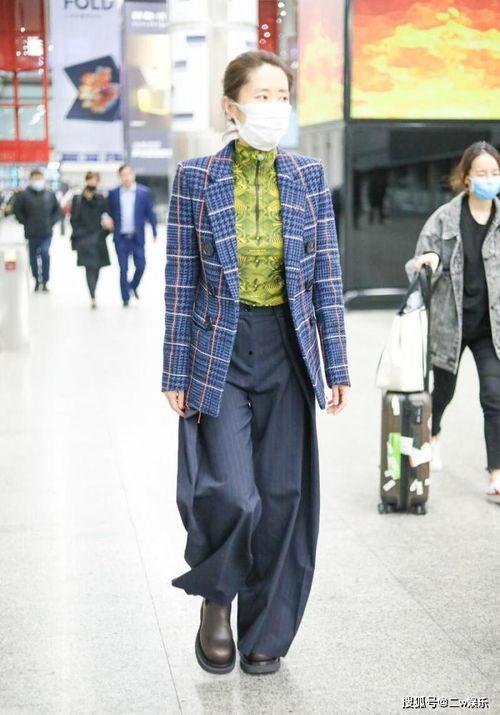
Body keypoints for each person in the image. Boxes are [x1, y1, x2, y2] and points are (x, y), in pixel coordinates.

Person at [162, 50, 350, 676]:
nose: (275, 107)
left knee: (282, 496)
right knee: (232, 493)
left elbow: (326, 277)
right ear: (232, 106)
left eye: (282, 96)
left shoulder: (307, 176)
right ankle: (217, 598)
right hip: (219, 348)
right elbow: (181, 280)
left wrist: (336, 366)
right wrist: (174, 372)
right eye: (262, 96)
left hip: (287, 349)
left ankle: (266, 628)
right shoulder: (196, 177)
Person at [406, 141, 500, 503]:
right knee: (442, 392)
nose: (489, 179)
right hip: (450, 324)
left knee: (494, 396)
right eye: (482, 173)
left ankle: (496, 473)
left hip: (491, 328)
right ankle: (435, 432)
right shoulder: (444, 218)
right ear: (466, 177)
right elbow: (418, 262)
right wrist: (426, 263)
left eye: (495, 173)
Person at [107, 165, 157, 306]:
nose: (126, 177)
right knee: (123, 268)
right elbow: (107, 210)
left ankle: (132, 286)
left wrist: (154, 231)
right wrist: (106, 218)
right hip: (121, 237)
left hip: (137, 237)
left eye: (128, 174)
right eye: (123, 175)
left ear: (133, 175)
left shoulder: (144, 192)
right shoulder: (114, 193)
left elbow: (150, 212)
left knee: (141, 266)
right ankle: (125, 297)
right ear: (119, 177)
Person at [13, 169, 61, 292]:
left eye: (40, 178)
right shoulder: (24, 195)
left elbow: (57, 211)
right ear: (31, 180)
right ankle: (36, 279)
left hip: (46, 232)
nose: (38, 181)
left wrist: (51, 222)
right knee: (33, 257)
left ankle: (45, 281)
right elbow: (17, 211)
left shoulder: (50, 194)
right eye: (35, 178)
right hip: (31, 233)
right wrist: (25, 222)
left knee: (45, 254)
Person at [70, 172, 112, 309]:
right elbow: (73, 219)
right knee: (89, 267)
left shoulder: (100, 199)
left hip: (98, 238)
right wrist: (77, 235)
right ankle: (92, 295)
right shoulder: (77, 199)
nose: (92, 183)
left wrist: (106, 230)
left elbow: (106, 215)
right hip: (84, 239)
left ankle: (93, 291)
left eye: (95, 180)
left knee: (97, 267)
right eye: (90, 180)